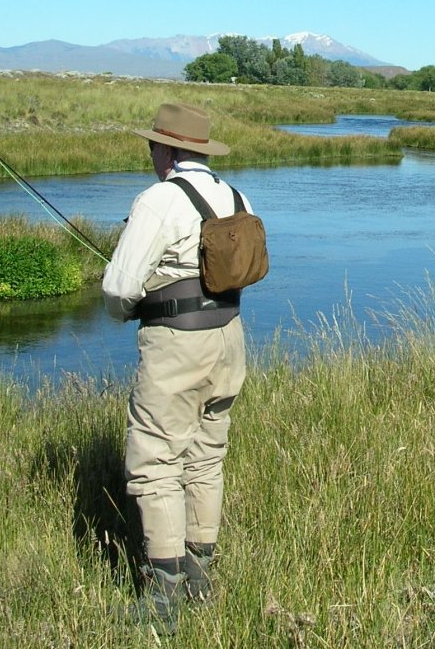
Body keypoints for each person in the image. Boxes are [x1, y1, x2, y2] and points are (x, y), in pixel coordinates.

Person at [102, 102, 252, 630]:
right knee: (206, 457)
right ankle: (200, 576)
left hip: (176, 346)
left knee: (155, 462)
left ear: (165, 150)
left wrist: (127, 311)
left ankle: (163, 597)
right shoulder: (235, 196)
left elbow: (119, 288)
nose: (150, 154)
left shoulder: (158, 200)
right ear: (202, 150)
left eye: (152, 146)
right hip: (230, 340)